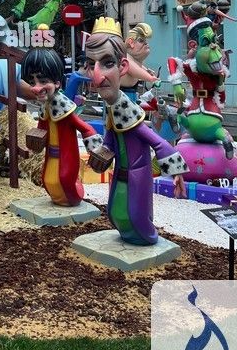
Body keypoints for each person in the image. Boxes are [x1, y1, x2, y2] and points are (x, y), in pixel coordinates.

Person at [84, 17, 188, 246]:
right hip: (121, 175)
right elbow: (112, 135)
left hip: (136, 175)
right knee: (116, 211)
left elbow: (157, 142)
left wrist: (176, 172)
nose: (96, 75)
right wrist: (102, 151)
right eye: (91, 65)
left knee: (136, 216)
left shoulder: (127, 109)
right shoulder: (114, 108)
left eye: (107, 63)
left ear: (122, 67)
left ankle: (145, 238)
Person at [21, 47, 103, 206]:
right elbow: (42, 126)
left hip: (66, 154)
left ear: (57, 83)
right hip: (51, 155)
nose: (36, 87)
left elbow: (85, 128)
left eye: (43, 81)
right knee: (47, 179)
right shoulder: (45, 106)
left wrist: (95, 150)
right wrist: (36, 140)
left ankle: (72, 199)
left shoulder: (64, 107)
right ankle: (59, 199)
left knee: (64, 179)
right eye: (32, 82)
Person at [121, 22, 159, 101]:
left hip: (130, 93)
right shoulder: (126, 59)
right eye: (141, 41)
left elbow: (138, 67)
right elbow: (135, 70)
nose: (146, 43)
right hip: (121, 95)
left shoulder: (133, 60)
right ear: (131, 43)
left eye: (145, 41)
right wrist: (150, 78)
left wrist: (147, 71)